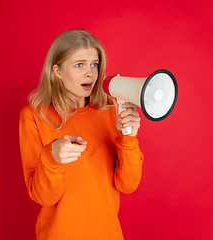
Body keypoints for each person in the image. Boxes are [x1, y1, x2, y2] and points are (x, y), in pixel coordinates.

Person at [19, 29, 144, 240]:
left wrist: (128, 138)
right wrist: (51, 156)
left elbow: (128, 185)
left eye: (94, 64)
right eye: (79, 65)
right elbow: (44, 198)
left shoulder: (111, 112)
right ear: (57, 71)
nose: (90, 74)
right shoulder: (33, 116)